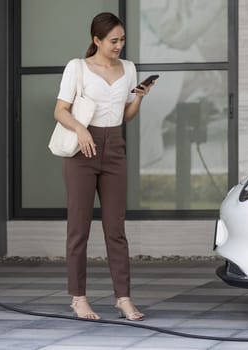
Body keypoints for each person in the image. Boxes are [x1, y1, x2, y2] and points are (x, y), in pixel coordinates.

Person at [53, 12, 154, 321]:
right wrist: (82, 131)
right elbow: (60, 111)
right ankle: (78, 298)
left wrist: (139, 98)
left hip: (114, 150)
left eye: (122, 40)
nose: (119, 46)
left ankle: (123, 298)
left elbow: (125, 116)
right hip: (82, 150)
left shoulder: (129, 68)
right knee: (79, 228)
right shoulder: (78, 68)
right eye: (113, 41)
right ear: (96, 40)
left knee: (116, 228)